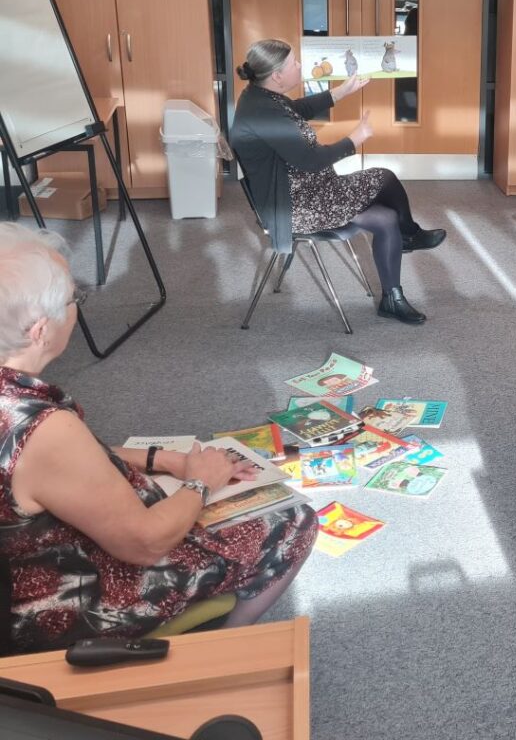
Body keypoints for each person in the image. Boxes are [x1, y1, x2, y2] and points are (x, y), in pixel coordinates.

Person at [0, 223, 318, 654]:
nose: (76, 307)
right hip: (49, 605)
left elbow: (52, 469)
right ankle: (226, 651)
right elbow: (144, 544)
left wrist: (163, 460)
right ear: (39, 331)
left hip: (18, 564)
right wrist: (200, 482)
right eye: (74, 298)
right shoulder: (41, 427)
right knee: (294, 519)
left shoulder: (25, 420)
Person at [230, 39, 446, 326]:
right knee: (384, 179)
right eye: (294, 63)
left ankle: (393, 293)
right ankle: (409, 237)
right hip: (295, 207)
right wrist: (353, 140)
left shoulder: (260, 96)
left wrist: (341, 92)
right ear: (277, 75)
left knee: (385, 216)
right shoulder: (263, 111)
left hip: (309, 190)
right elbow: (311, 160)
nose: (300, 66)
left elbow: (297, 109)